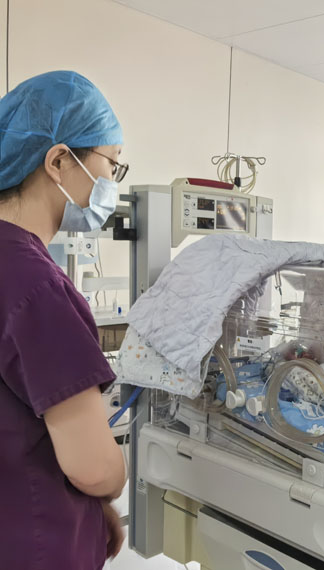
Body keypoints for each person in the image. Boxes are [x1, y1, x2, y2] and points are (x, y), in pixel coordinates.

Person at [0, 71, 129, 569]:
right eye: (111, 164)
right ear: (58, 160)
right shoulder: (38, 287)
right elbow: (93, 468)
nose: (111, 183)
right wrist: (111, 482)